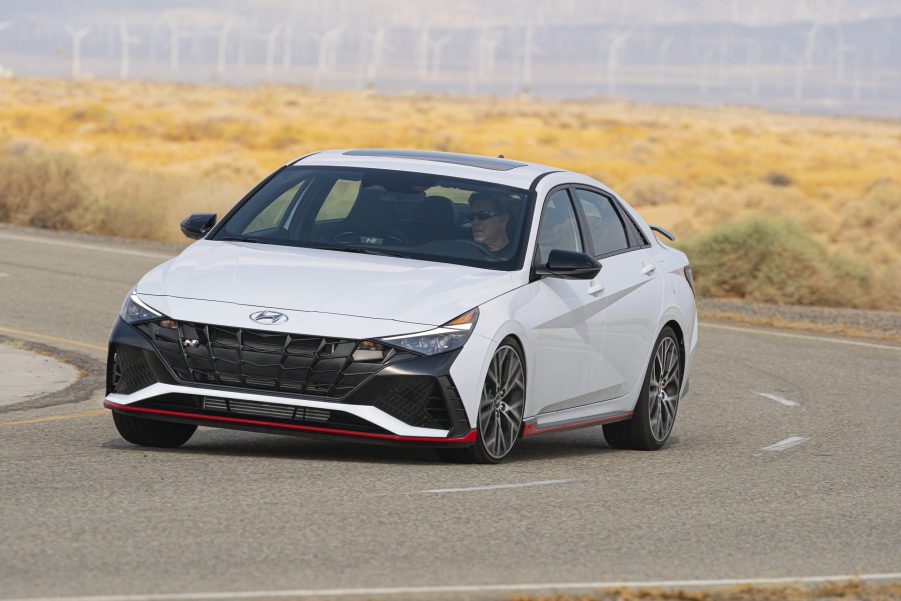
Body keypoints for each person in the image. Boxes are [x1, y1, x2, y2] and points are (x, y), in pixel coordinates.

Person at [469, 192, 513, 257]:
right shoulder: (463, 248)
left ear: (503, 219)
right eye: (471, 216)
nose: (474, 222)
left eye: (483, 215)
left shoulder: (519, 256)